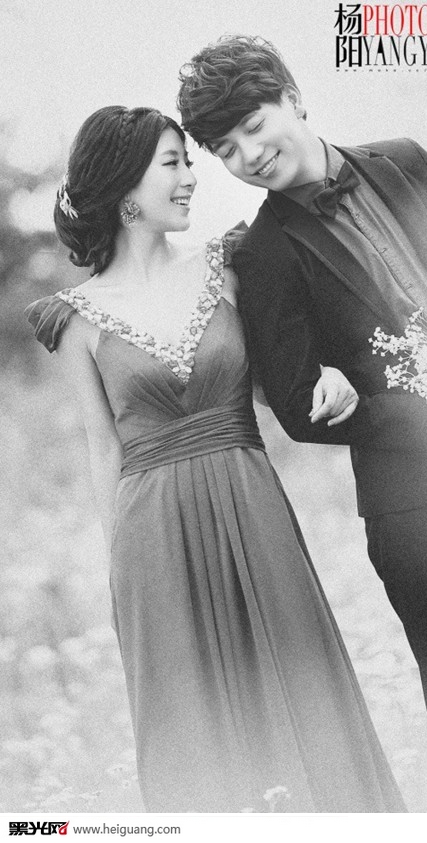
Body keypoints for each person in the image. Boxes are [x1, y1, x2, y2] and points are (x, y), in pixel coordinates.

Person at [178, 35, 427, 811]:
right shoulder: (263, 254)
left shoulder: (407, 160)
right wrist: (425, 408)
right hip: (417, 512)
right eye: (225, 148)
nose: (248, 153)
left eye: (254, 125)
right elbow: (300, 405)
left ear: (295, 99)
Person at [25, 105, 406, 813]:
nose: (190, 177)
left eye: (187, 162)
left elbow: (280, 382)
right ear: (125, 186)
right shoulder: (74, 320)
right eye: (172, 163)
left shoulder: (228, 267)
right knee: (193, 732)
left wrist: (332, 374)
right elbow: (102, 447)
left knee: (302, 691)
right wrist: (121, 576)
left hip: (252, 507)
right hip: (152, 540)